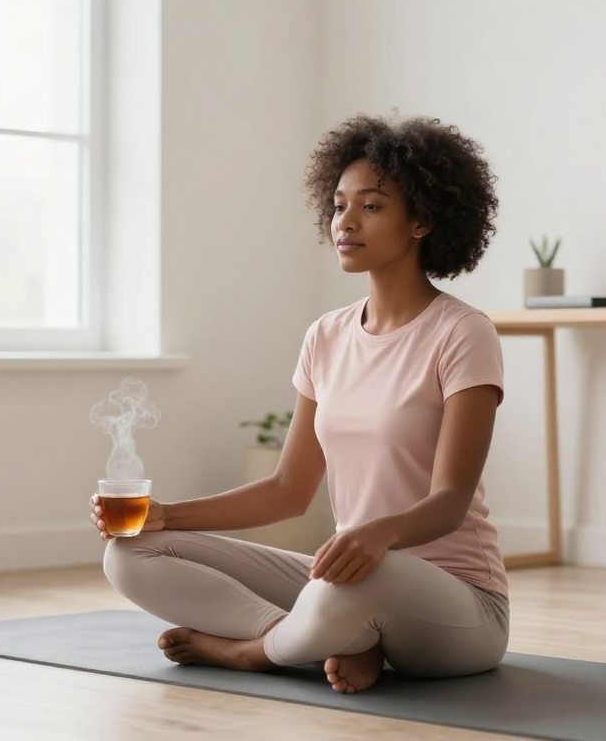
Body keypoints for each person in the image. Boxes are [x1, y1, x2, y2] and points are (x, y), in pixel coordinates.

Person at [91, 113, 505, 695]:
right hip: (348, 574)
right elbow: (288, 489)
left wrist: (379, 534)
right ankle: (325, 640)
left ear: (422, 220)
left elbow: (451, 502)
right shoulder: (325, 336)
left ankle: (254, 652)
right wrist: (166, 516)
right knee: (130, 554)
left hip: (459, 602)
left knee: (350, 586)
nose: (345, 222)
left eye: (371, 206)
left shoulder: (462, 333)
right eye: (338, 205)